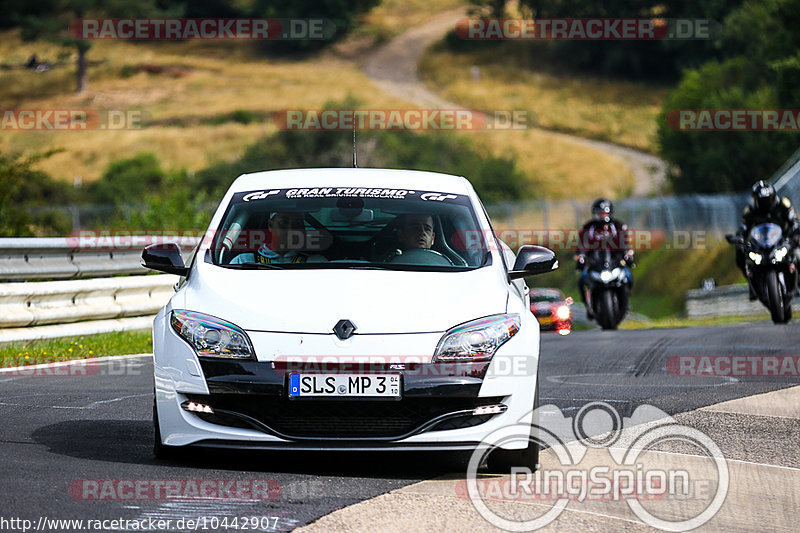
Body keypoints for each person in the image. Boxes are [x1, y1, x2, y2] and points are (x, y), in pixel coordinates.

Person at [735, 180, 800, 296]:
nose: (765, 203)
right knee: (740, 251)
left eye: (767, 200)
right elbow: (743, 230)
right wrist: (740, 239)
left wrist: (795, 235)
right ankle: (751, 282)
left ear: (773, 196)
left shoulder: (783, 205)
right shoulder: (750, 211)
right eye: (761, 200)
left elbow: (794, 222)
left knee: (799, 254)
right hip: (761, 245)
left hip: (785, 241)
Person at [575, 198, 634, 316]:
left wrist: (627, 255)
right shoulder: (588, 227)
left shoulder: (619, 226)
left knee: (628, 277)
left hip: (614, 262)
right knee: (582, 280)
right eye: (599, 213)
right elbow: (582, 246)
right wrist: (580, 258)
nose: (602, 216)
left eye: (604, 213)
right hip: (595, 263)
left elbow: (625, 244)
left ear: (610, 213)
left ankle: (626, 300)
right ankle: (588, 305)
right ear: (594, 213)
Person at [230, 212, 326, 264]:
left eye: (297, 224)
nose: (291, 228)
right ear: (270, 225)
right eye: (283, 222)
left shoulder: (317, 262)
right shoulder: (244, 261)